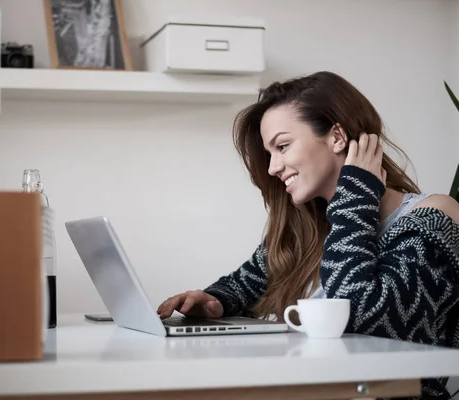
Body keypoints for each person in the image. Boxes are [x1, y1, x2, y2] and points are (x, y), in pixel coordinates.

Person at [157, 71, 459, 400]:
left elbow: (366, 316)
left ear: (337, 137)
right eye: (269, 153)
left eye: (283, 146)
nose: (273, 167)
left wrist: (356, 198)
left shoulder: (433, 216)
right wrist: (214, 300)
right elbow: (245, 283)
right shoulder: (311, 226)